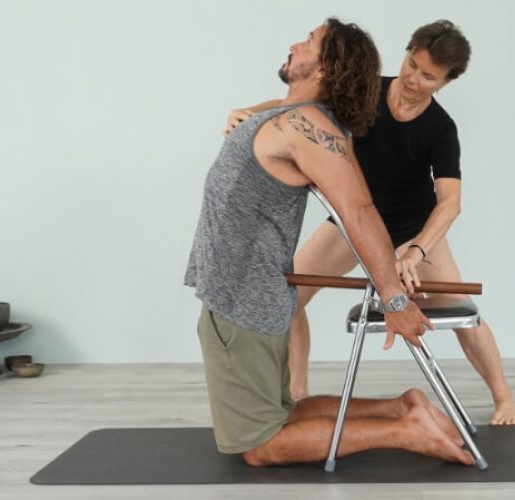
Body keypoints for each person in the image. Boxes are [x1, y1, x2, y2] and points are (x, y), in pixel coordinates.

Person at [184, 18, 475, 467]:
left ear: (323, 68)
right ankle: (401, 409)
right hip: (244, 294)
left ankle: (407, 431)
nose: (295, 43)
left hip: (243, 299)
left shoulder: (309, 129)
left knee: (260, 446)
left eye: (309, 42)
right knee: (283, 414)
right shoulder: (295, 120)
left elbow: (360, 212)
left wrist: (395, 301)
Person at [225, 20, 515, 425]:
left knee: (463, 314)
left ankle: (504, 398)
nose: (413, 79)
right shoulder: (367, 91)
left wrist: (417, 249)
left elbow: (450, 203)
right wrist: (251, 113)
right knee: (287, 298)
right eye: (411, 64)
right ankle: (297, 400)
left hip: (411, 232)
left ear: (446, 82)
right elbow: (298, 107)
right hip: (353, 225)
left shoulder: (440, 129)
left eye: (428, 76)